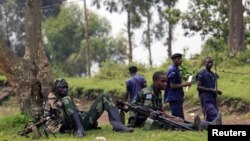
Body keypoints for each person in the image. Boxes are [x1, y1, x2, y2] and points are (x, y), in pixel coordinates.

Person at [130, 71, 221, 130]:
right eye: (162, 81)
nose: (165, 84)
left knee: (178, 121)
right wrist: (171, 119)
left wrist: (173, 117)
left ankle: (209, 125)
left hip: (150, 118)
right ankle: (200, 126)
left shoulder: (158, 92)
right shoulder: (148, 93)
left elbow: (160, 111)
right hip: (141, 122)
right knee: (171, 124)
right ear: (155, 81)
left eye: (166, 82)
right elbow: (149, 111)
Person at [44, 79, 133, 138]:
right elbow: (47, 121)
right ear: (55, 88)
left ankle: (117, 125)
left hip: (81, 121)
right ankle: (79, 130)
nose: (65, 90)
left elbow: (75, 112)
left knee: (104, 95)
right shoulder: (50, 101)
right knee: (66, 99)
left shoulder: (66, 97)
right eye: (62, 88)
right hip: (68, 125)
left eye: (66, 87)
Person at [164, 53, 192, 119]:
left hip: (177, 96)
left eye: (181, 59)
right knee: (178, 118)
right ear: (173, 60)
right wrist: (185, 84)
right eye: (179, 59)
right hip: (174, 97)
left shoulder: (176, 69)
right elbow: (172, 86)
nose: (181, 60)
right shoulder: (172, 70)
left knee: (179, 117)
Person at [196, 57, 222, 122]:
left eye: (211, 62)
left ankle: (204, 127)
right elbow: (198, 87)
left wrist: (217, 91)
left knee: (210, 117)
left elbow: (213, 88)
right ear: (205, 63)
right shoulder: (201, 73)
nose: (210, 64)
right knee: (215, 115)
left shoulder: (213, 74)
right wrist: (212, 90)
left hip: (213, 98)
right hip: (205, 98)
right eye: (208, 62)